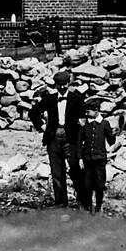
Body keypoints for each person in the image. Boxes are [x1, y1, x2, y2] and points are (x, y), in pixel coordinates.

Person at [28, 70, 87, 207]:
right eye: (59, 85)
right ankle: (61, 203)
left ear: (68, 83)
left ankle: (83, 200)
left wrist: (79, 137)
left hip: (70, 138)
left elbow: (83, 119)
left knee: (75, 169)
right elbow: (33, 112)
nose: (61, 87)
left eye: (64, 84)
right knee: (56, 172)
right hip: (53, 137)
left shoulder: (76, 99)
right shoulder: (50, 99)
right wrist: (42, 126)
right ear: (55, 85)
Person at [78, 97, 117, 214]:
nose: (86, 114)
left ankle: (99, 206)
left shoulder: (105, 124)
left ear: (96, 110)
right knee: (87, 185)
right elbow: (79, 141)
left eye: (88, 111)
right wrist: (80, 158)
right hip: (87, 159)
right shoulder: (85, 124)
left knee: (100, 185)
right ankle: (89, 206)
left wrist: (113, 134)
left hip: (100, 159)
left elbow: (111, 141)